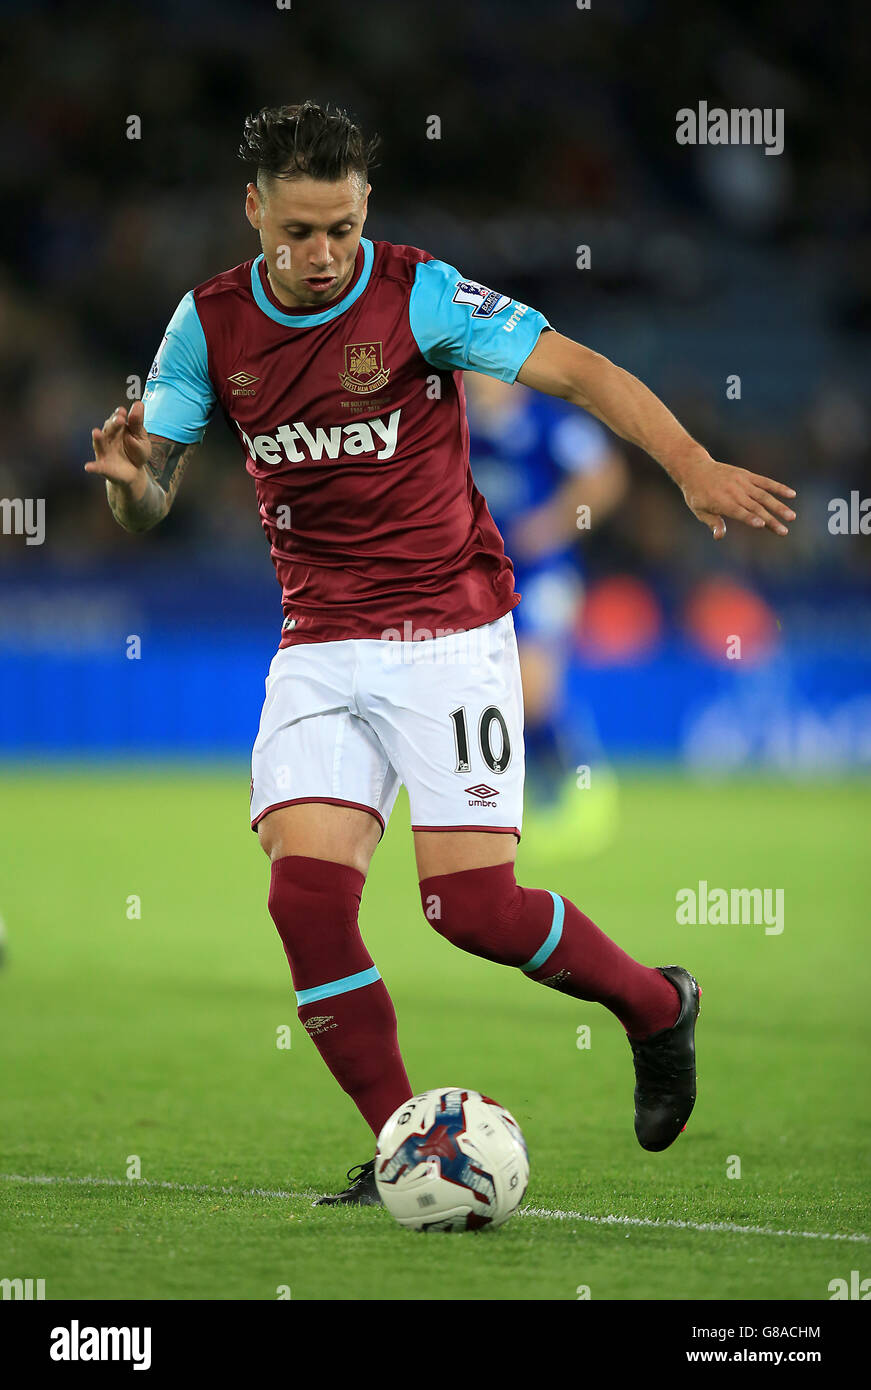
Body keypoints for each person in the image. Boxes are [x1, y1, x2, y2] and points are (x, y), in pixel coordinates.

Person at [85, 102, 796, 1206]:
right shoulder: (207, 326)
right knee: (304, 903)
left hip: (449, 635)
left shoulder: (417, 292)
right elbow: (154, 491)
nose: (321, 255)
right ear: (252, 211)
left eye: (339, 227)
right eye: (296, 232)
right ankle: (402, 1145)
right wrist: (138, 490)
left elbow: (581, 370)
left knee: (472, 911)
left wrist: (692, 465)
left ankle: (658, 1005)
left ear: (365, 205)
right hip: (317, 644)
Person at [464, 371, 627, 853]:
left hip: (542, 575)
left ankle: (584, 787)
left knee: (533, 686)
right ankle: (530, 796)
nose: (474, 381)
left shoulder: (549, 423)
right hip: (480, 579)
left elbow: (606, 476)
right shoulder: (461, 424)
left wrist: (554, 525)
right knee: (497, 693)